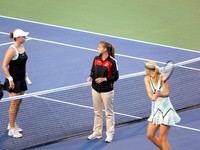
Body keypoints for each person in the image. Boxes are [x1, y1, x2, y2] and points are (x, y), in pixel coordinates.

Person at [144, 61, 181, 150]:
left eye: (145, 68)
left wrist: (159, 94)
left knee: (162, 138)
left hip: (166, 110)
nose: (144, 70)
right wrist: (153, 97)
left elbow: (167, 93)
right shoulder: (146, 79)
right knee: (150, 135)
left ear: (149, 70)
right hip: (157, 111)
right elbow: (149, 91)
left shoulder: (162, 77)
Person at [87, 41, 119, 143]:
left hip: (107, 91)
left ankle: (109, 134)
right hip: (95, 89)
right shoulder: (96, 59)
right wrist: (90, 76)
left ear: (105, 49)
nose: (97, 48)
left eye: (99, 47)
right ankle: (97, 132)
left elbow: (115, 77)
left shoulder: (112, 62)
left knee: (109, 113)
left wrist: (104, 79)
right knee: (97, 112)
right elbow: (93, 71)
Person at [2, 29, 29, 138]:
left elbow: (23, 63)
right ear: (18, 38)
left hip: (21, 79)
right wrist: (10, 79)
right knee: (14, 104)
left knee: (19, 102)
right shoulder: (12, 50)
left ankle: (12, 124)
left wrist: (26, 74)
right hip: (13, 81)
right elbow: (4, 65)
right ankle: (11, 129)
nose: (25, 38)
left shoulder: (22, 47)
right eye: (23, 36)